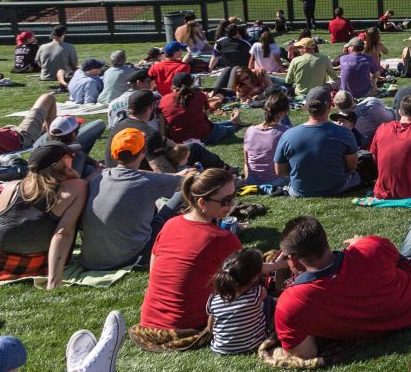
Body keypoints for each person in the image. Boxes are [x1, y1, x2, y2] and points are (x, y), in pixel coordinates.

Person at [272, 197, 411, 360]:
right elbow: (396, 260)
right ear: (325, 238)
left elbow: (304, 354)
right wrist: (362, 244)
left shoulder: (290, 304)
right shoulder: (371, 248)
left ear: (293, 258)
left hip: (402, 310)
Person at [135, 169, 243, 350]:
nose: (231, 204)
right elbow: (246, 279)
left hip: (148, 319)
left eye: (234, 196)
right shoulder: (222, 239)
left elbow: (153, 271)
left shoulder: (170, 224)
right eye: (225, 201)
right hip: (186, 325)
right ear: (201, 202)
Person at [0, 141, 88, 288]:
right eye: (71, 156)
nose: (73, 159)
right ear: (61, 163)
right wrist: (54, 280)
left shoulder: (12, 187)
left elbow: (4, 227)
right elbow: (63, 234)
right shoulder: (76, 187)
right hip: (37, 265)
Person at [80, 129, 185, 272]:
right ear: (143, 152)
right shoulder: (149, 181)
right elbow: (186, 182)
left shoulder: (99, 177)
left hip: (91, 260)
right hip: (131, 257)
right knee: (181, 194)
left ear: (113, 153)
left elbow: (135, 174)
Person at [275, 88, 365, 197]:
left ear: (306, 107)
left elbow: (280, 171)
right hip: (337, 188)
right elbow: (352, 166)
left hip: (300, 190)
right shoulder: (345, 133)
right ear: (330, 106)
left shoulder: (288, 135)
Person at [207, 248, 277, 356]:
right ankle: (270, 332)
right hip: (252, 346)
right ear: (254, 278)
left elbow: (210, 329)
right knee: (269, 302)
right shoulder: (257, 294)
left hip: (220, 349)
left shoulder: (214, 300)